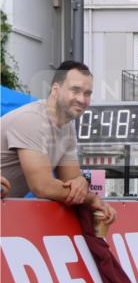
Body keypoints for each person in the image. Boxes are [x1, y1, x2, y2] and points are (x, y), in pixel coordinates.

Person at [0, 61, 115, 223]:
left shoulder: (67, 127)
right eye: (75, 90)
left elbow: (72, 181)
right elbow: (43, 186)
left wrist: (81, 183)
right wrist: (91, 199)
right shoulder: (31, 120)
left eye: (87, 93)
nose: (82, 99)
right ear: (55, 90)